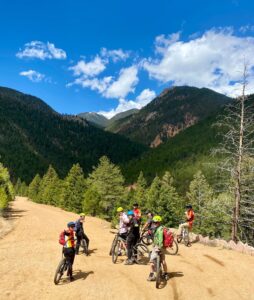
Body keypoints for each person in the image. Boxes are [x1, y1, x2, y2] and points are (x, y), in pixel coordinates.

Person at [147, 216, 169, 281]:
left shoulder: (159, 229)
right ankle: (165, 274)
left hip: (158, 247)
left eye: (156, 222)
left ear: (159, 223)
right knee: (163, 261)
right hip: (161, 247)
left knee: (151, 262)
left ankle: (152, 275)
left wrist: (159, 247)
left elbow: (160, 239)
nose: (154, 223)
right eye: (154, 222)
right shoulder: (159, 228)